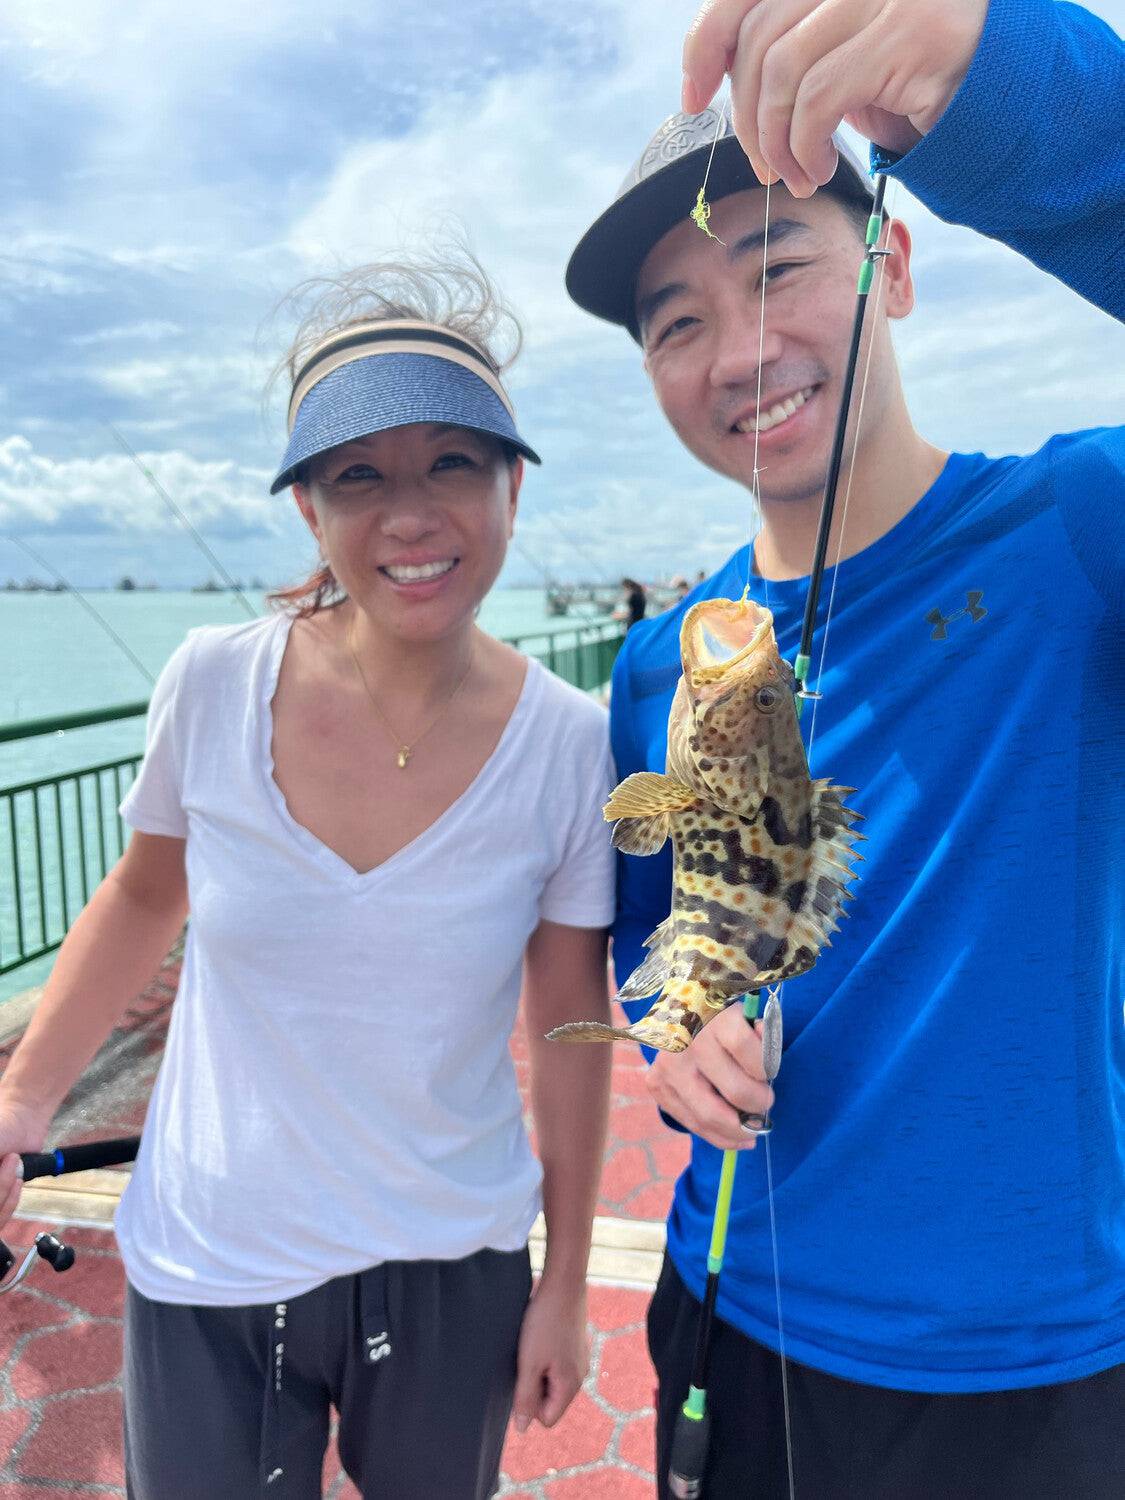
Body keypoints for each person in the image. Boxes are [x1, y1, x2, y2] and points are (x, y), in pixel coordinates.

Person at [565, 1, 1123, 1496]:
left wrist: (999, 84)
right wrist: (675, 1038)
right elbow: (659, 941)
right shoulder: (656, 659)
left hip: (1022, 1373)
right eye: (676, 320)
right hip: (723, 1311)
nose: (737, 349)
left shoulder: (1080, 532)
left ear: (894, 264)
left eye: (778, 265)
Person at [0, 256, 616, 1499]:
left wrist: (563, 1285)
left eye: (454, 461)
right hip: (213, 1256)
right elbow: (142, 896)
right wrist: (21, 1106)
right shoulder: (213, 682)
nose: (410, 513)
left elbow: (571, 1023)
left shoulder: (569, 743)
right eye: (358, 475)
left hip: (454, 1258)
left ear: (514, 485)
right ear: (309, 512)